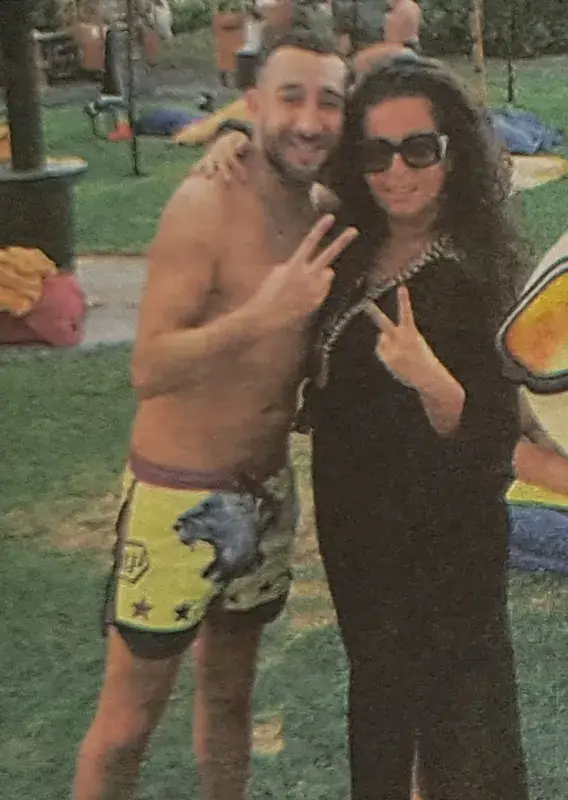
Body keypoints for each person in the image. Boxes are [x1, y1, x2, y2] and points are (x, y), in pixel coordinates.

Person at [199, 52, 568, 800]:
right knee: (382, 694)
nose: (396, 172)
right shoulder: (348, 243)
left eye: (419, 149)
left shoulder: (474, 270)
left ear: (453, 154)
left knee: (460, 709)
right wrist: (240, 140)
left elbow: (491, 426)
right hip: (356, 517)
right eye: (376, 153)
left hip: (444, 526)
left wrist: (431, 379)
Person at [72, 27, 357, 800]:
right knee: (127, 725)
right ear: (254, 102)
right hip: (178, 497)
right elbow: (149, 368)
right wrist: (262, 316)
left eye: (329, 102)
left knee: (231, 698)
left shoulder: (324, 209)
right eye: (291, 97)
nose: (310, 120)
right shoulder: (203, 204)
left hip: (266, 495)